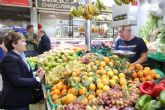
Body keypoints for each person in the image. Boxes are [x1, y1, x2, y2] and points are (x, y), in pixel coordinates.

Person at [0, 32, 45, 110]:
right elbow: (16, 80)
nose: (25, 44)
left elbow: (22, 73)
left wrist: (35, 74)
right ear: (14, 44)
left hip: (22, 99)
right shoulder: (9, 59)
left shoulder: (18, 55)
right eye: (22, 41)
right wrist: (37, 79)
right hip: (15, 101)